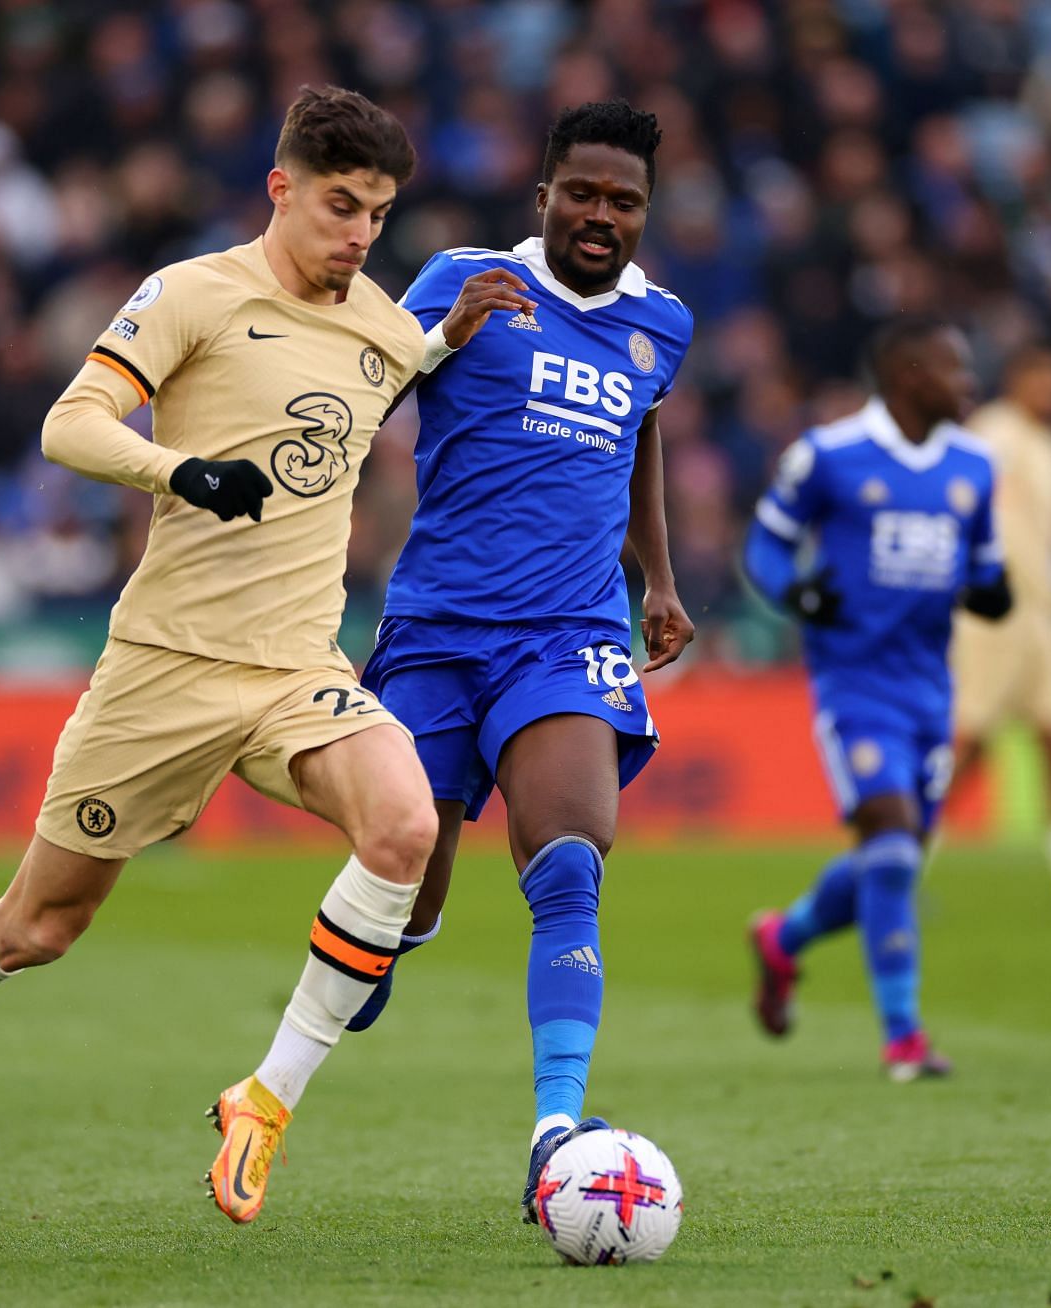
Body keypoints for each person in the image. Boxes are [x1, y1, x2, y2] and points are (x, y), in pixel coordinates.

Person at [0, 86, 438, 1238]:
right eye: (341, 206)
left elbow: (421, 379)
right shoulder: (191, 293)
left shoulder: (386, 329)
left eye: (380, 215)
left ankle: (265, 1099)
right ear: (280, 188)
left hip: (297, 668)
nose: (359, 236)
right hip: (164, 670)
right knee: (36, 929)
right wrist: (180, 471)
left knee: (405, 825)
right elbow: (68, 425)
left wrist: (465, 332)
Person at [350, 101, 696, 1219]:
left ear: (647, 211)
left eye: (625, 200)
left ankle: (556, 1126)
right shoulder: (463, 277)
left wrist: (662, 577)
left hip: (569, 635)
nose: (602, 216)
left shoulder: (664, 326)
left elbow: (642, 429)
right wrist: (442, 337)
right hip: (440, 627)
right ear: (542, 196)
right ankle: (390, 942)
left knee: (567, 864)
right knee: (405, 883)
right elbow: (367, 389)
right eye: (583, 194)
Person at [742, 318, 1011, 1081]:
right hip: (853, 685)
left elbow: (986, 569)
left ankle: (782, 939)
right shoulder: (829, 455)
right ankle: (904, 1038)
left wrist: (995, 594)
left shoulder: (975, 466)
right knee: (891, 850)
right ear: (907, 374)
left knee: (890, 861)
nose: (969, 384)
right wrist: (797, 593)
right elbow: (763, 544)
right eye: (956, 369)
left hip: (931, 687)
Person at [950, 345, 1051, 909]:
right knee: (968, 743)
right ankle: (894, 864)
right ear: (1018, 378)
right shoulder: (995, 432)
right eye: (1045, 378)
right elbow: (962, 503)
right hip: (996, 614)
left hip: (1043, 616)